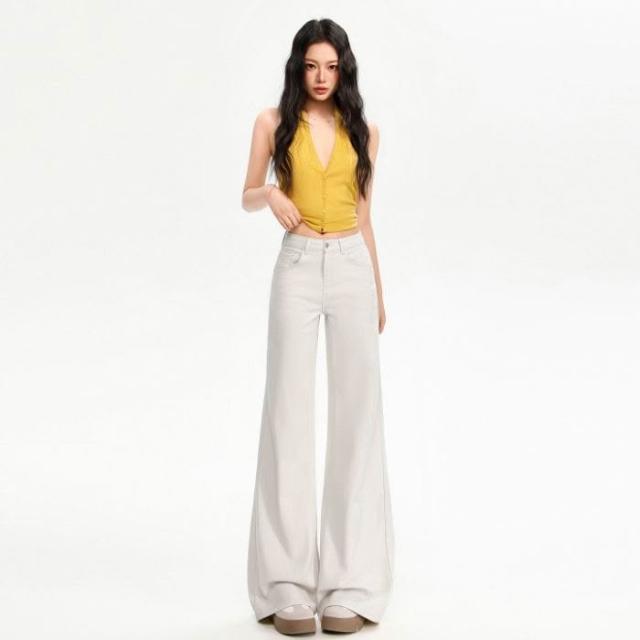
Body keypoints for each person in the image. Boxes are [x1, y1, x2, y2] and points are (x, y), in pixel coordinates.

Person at [241, 18, 394, 636]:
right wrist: (271, 195)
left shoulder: (365, 131)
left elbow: (365, 215)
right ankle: (285, 583)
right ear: (298, 68)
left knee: (357, 416)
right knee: (288, 413)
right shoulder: (272, 122)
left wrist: (378, 288)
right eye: (311, 66)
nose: (321, 78)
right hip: (298, 267)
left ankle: (352, 581)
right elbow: (247, 192)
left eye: (331, 67)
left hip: (352, 265)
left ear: (344, 69)